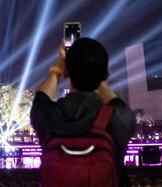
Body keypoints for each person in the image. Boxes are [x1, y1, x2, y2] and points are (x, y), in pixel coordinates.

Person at [30, 38, 135, 187]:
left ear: (67, 72)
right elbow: (116, 103)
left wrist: (57, 69)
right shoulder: (119, 117)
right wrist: (96, 73)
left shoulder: (49, 115)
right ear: (105, 75)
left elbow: (41, 98)